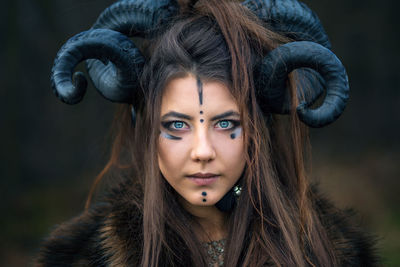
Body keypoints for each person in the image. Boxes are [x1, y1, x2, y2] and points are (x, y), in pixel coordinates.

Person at [36, 0, 378, 266]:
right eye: (177, 125)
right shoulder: (79, 258)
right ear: (146, 129)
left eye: (226, 123)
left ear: (258, 131)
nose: (202, 151)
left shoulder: (333, 253)